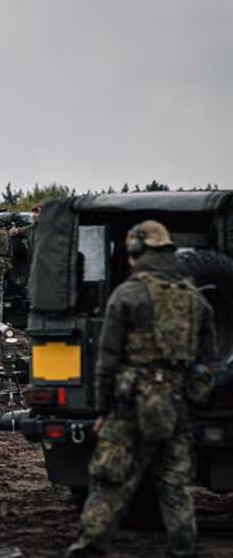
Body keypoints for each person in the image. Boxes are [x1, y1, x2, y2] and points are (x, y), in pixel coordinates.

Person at [66, 221, 217, 558]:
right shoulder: (196, 299)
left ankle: (89, 546)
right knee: (176, 486)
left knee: (110, 481)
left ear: (138, 253)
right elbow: (207, 361)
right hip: (175, 407)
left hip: (129, 406)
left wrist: (102, 410)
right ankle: (184, 548)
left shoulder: (127, 295)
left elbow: (107, 361)